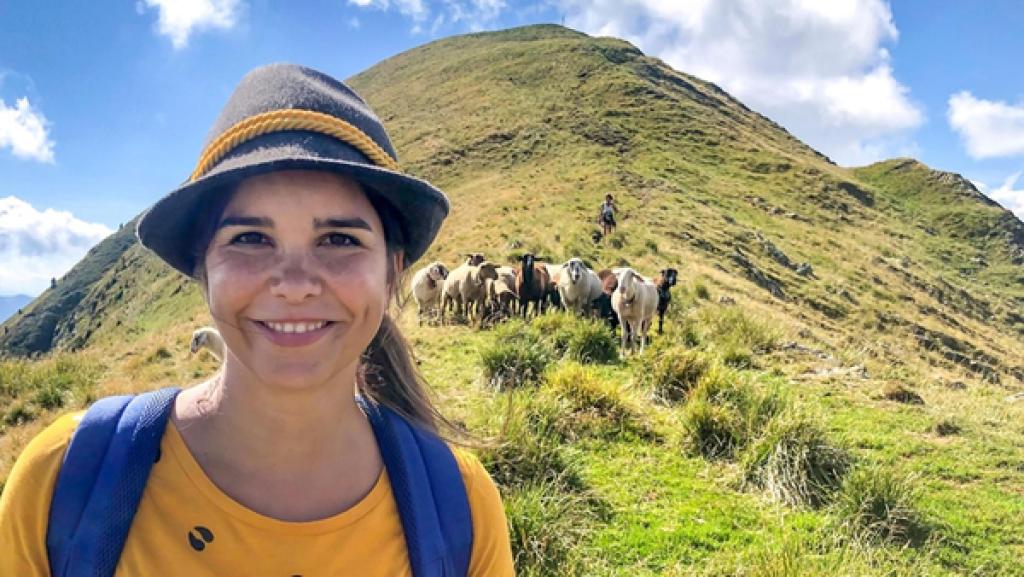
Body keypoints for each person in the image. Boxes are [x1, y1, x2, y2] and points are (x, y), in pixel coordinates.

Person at [0, 64, 515, 576]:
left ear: (391, 271)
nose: (295, 283)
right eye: (249, 239)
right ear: (202, 269)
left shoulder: (463, 510)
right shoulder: (64, 479)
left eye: (339, 239)